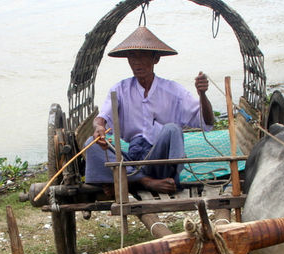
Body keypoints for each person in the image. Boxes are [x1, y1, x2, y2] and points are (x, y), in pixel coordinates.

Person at [84, 26, 214, 195]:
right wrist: (98, 128)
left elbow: (207, 122)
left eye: (142, 56)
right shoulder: (120, 89)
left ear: (156, 59)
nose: (137, 62)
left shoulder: (174, 90)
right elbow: (102, 118)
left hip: (160, 159)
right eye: (132, 57)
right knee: (90, 144)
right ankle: (144, 181)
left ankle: (144, 180)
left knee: (172, 129)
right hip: (132, 159)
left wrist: (202, 95)